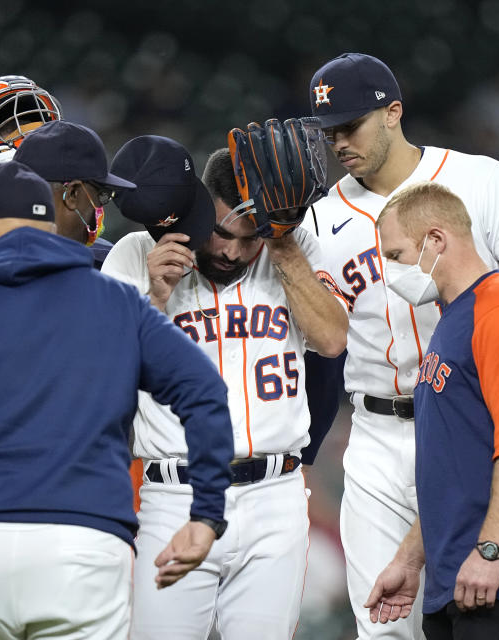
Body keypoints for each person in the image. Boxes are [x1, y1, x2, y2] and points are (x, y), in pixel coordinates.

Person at [302, 52, 499, 638]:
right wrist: (284, 242)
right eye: (328, 131)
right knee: (384, 626)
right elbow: (326, 340)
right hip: (377, 430)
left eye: (350, 125)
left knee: (478, 614)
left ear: (393, 113)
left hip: (477, 426)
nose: (338, 142)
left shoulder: (480, 180)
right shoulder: (317, 222)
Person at [0, 161, 235, 640]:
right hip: (84, 548)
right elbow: (204, 390)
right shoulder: (117, 301)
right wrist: (206, 513)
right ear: (50, 227)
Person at [101, 135, 348, 639]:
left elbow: (331, 338)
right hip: (174, 495)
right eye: (220, 233)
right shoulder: (135, 254)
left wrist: (280, 241)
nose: (233, 251)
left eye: (248, 235)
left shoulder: (291, 251)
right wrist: (154, 297)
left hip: (275, 498)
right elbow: (103, 377)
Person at [365, 181, 499, 638]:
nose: (390, 271)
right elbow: (453, 466)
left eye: (396, 255)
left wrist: (492, 551)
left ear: (436, 240)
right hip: (457, 576)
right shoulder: (455, 318)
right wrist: (410, 558)